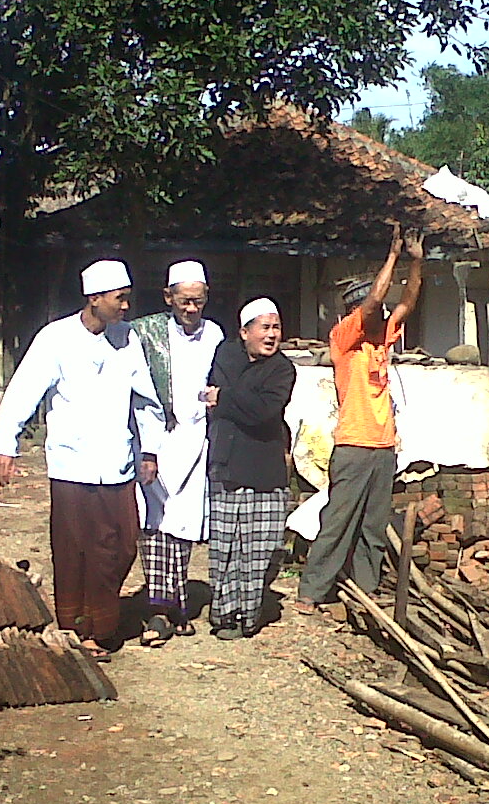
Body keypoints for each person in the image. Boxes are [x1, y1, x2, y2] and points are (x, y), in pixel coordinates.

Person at [0, 260, 166, 658]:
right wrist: (5, 444)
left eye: (126, 299)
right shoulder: (55, 338)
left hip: (117, 462)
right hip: (72, 463)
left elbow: (146, 399)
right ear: (95, 298)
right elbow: (24, 390)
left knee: (122, 546)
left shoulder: (127, 338)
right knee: (75, 548)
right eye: (119, 299)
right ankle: (84, 630)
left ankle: (96, 617)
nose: (125, 307)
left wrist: (150, 449)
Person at [294, 230, 423, 610]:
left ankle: (365, 589)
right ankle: (311, 591)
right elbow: (374, 302)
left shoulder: (383, 338)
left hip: (383, 448)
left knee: (373, 525)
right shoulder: (343, 339)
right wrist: (392, 255)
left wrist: (416, 260)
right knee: (338, 521)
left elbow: (409, 301)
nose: (379, 315)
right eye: (372, 311)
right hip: (353, 445)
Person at [130, 260, 223, 642]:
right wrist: (147, 447)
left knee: (183, 524)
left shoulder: (215, 334)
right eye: (184, 301)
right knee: (153, 522)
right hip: (155, 439)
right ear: (168, 298)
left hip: (196, 440)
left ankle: (177, 603)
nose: (191, 309)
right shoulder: (146, 334)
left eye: (198, 302)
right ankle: (158, 609)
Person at [204, 299, 296, 639]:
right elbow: (236, 401)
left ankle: (248, 615)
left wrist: (224, 398)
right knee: (224, 547)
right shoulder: (225, 355)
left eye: (276, 328)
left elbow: (263, 411)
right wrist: (237, 399)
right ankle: (223, 613)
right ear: (244, 333)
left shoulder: (283, 369)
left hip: (263, 468)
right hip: (226, 462)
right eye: (265, 328)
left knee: (257, 549)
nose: (272, 335)